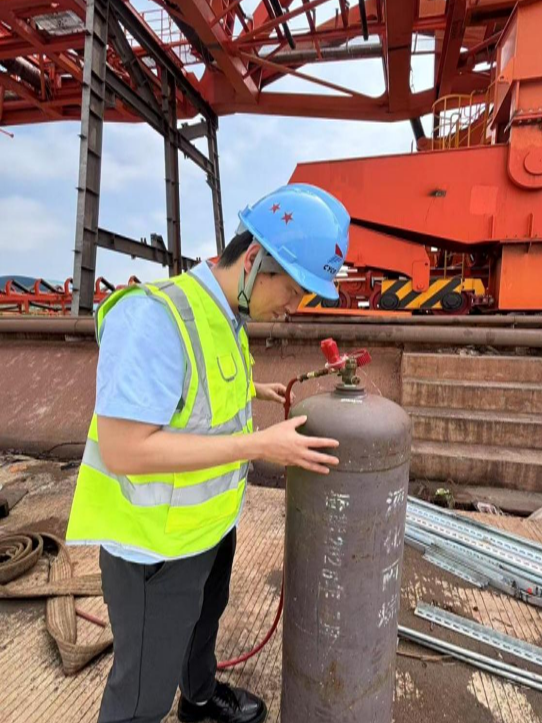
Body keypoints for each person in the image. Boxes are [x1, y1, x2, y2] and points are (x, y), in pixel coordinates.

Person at [66, 184, 350, 723]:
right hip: (154, 549)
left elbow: (191, 395)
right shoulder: (154, 317)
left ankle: (197, 698)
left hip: (208, 527)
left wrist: (253, 389)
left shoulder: (225, 317)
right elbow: (125, 449)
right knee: (141, 696)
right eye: (293, 290)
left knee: (202, 625)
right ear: (253, 259)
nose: (295, 307)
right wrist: (260, 445)